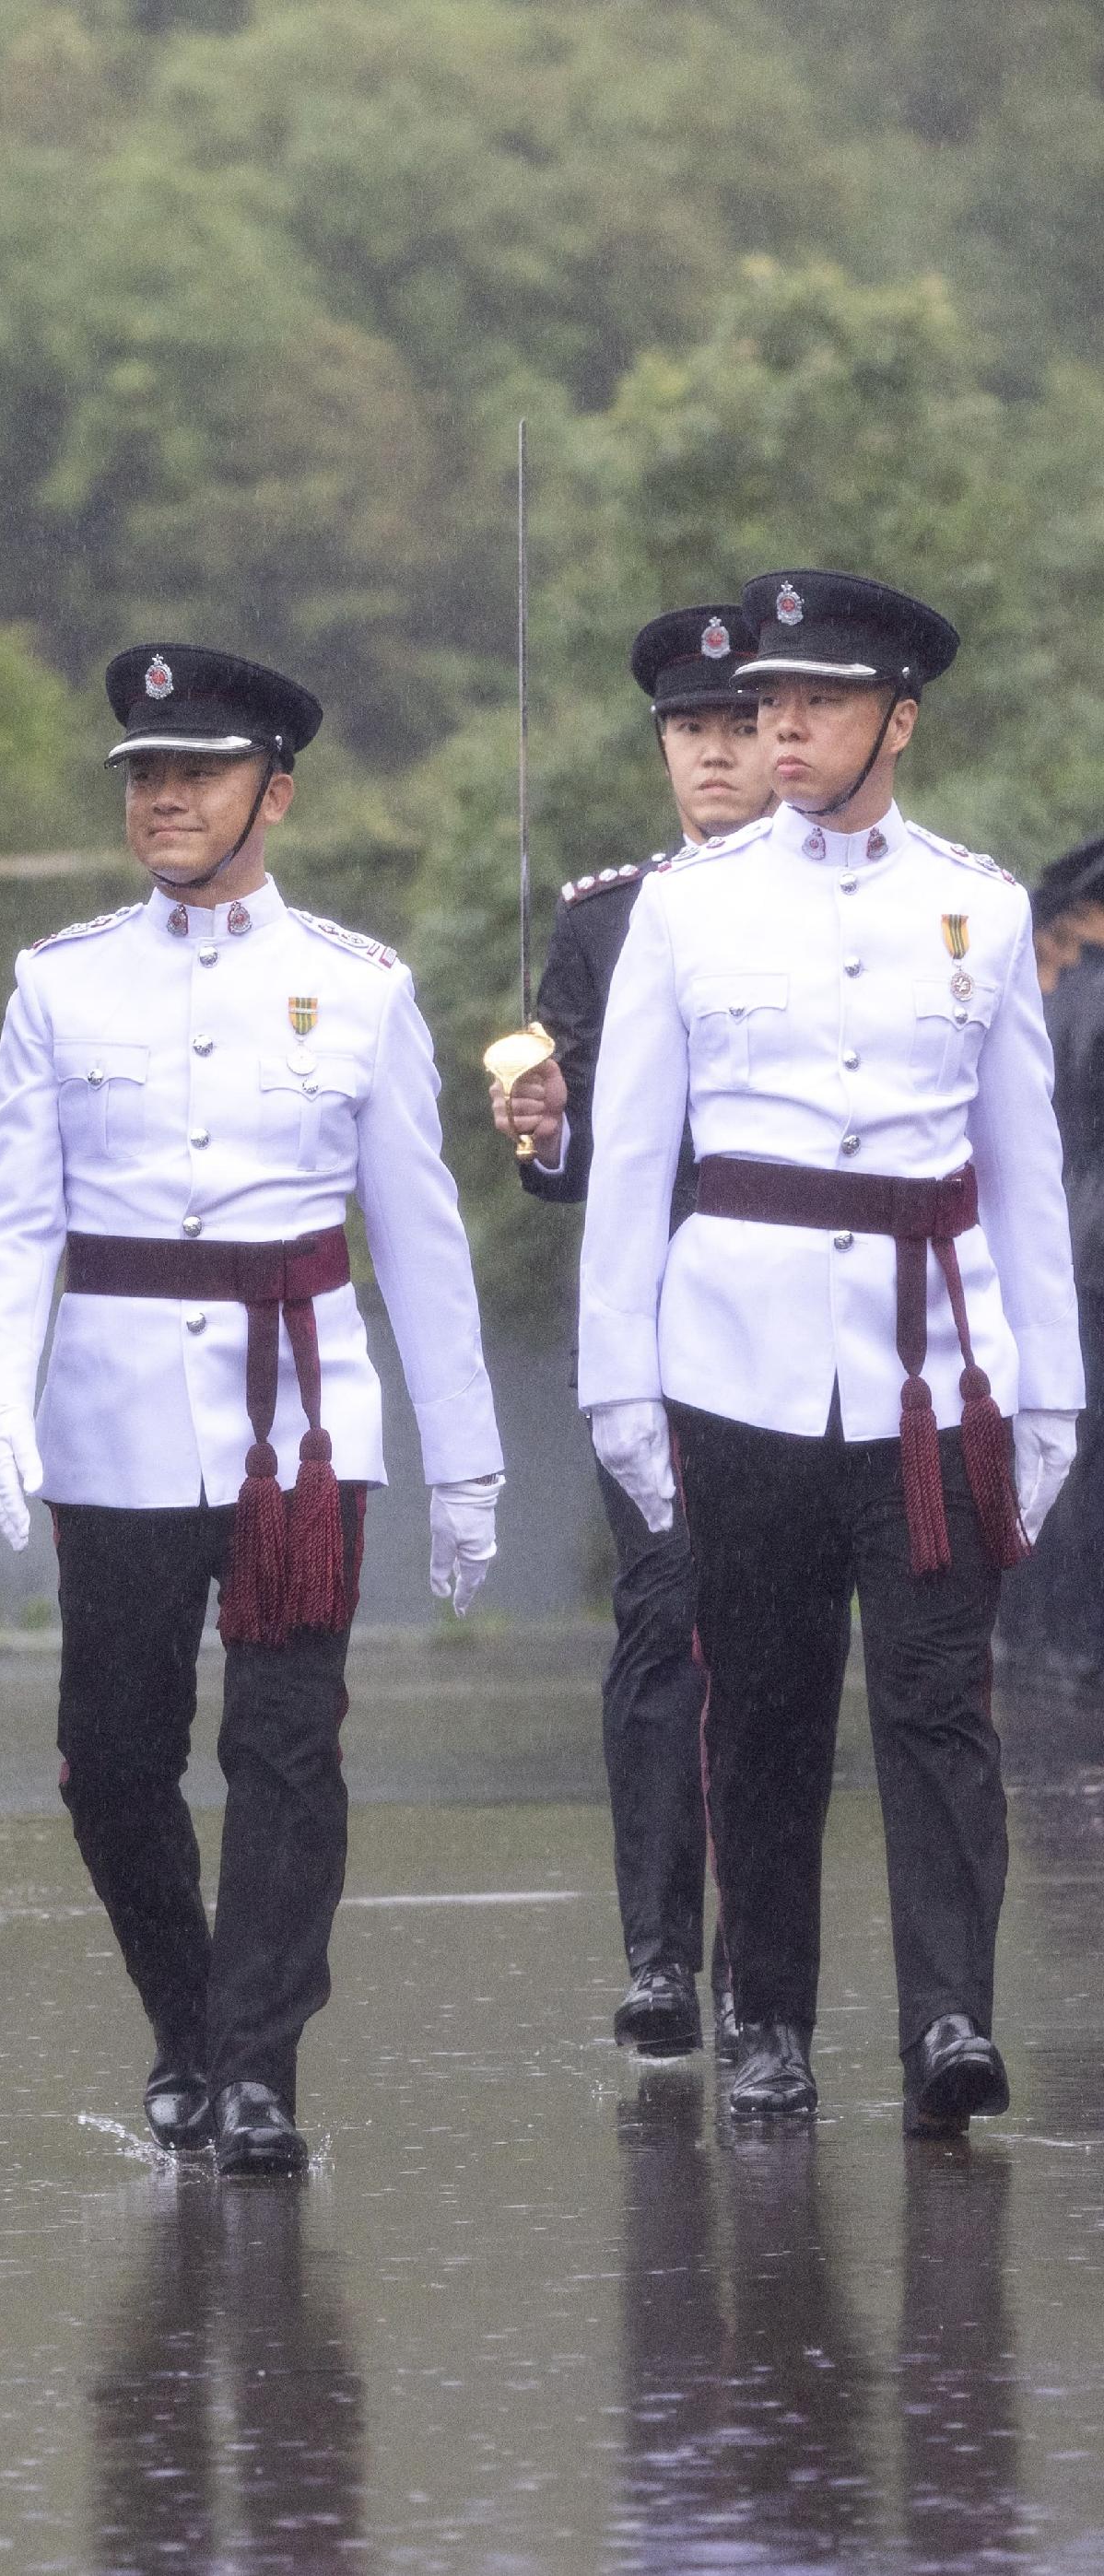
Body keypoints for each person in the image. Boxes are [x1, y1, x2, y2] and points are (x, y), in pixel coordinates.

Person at [0, 645, 503, 2179]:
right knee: (114, 1757)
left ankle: (257, 2067)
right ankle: (188, 2021)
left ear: (277, 791)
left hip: (299, 1422)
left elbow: (422, 1236)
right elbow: (10, 1224)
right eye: (143, 773)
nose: (164, 798)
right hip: (116, 1415)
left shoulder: (362, 984)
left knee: (286, 1750)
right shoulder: (59, 983)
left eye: (194, 772)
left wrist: (468, 1465)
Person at [580, 570, 1079, 2137]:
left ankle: (949, 2018)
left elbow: (1023, 1174)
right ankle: (769, 2020)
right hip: (741, 1365)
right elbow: (630, 1160)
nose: (781, 723)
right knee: (773, 1706)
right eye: (769, 700)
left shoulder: (983, 908)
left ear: (900, 718)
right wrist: (619, 1387)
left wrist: (1048, 1389)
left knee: (938, 1705)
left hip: (934, 1363)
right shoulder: (685, 905)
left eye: (821, 699)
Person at [486, 605, 769, 2058]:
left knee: (782, 1651)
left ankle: (765, 1968)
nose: (714, 755)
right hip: (662, 1334)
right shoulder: (608, 917)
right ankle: (661, 1953)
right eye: (688, 731)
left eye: (736, 726)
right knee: (663, 1624)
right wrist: (544, 1130)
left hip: (805, 1326)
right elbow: (577, 1150)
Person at [996, 836, 1104, 1693]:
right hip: (1090, 1237)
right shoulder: (1088, 998)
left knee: (1057, 1444)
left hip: (1059, 1237)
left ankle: (1043, 1629)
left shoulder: (1054, 999)